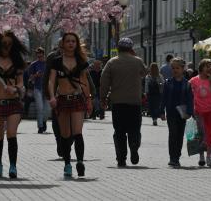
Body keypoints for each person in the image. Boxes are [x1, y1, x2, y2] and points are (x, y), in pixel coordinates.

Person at [48, 32, 92, 177]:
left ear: (77, 44)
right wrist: (52, 96)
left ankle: (79, 162)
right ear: (63, 44)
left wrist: (89, 100)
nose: (71, 43)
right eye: (68, 41)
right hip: (62, 99)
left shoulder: (81, 61)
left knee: (78, 132)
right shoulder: (56, 61)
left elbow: (84, 82)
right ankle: (67, 164)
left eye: (74, 41)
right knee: (65, 135)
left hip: (77, 99)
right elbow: (51, 81)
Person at [0, 30, 27, 178]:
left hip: (13, 103)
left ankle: (13, 166)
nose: (6, 47)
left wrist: (15, 88)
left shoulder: (18, 63)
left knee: (11, 133)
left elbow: (21, 84)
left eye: (9, 44)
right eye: (4, 44)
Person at [100, 37, 147, 167]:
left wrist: (103, 99)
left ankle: (121, 158)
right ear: (131, 49)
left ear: (118, 49)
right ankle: (134, 146)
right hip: (135, 103)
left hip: (118, 103)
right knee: (135, 129)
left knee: (119, 131)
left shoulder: (111, 62)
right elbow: (145, 72)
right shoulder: (137, 62)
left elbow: (104, 82)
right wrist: (135, 57)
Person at [160, 58, 193, 167]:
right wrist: (161, 111)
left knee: (179, 136)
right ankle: (172, 158)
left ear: (183, 69)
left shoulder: (187, 84)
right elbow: (163, 98)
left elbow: (190, 99)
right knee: (173, 134)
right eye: (173, 68)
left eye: (177, 68)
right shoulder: (168, 83)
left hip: (182, 114)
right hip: (171, 113)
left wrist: (190, 112)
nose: (175, 70)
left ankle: (177, 156)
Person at [189, 59, 211, 167]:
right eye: (207, 66)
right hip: (198, 111)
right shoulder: (194, 80)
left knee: (209, 134)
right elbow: (188, 92)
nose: (209, 68)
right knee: (201, 133)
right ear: (201, 67)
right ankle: (201, 156)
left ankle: (209, 157)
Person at [28, 47, 50, 133]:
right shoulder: (33, 65)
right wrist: (36, 75)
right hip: (38, 88)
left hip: (47, 89)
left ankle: (44, 121)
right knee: (40, 108)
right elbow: (30, 78)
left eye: (41, 55)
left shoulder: (48, 64)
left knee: (47, 109)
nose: (39, 57)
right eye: (38, 55)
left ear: (44, 54)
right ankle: (40, 126)